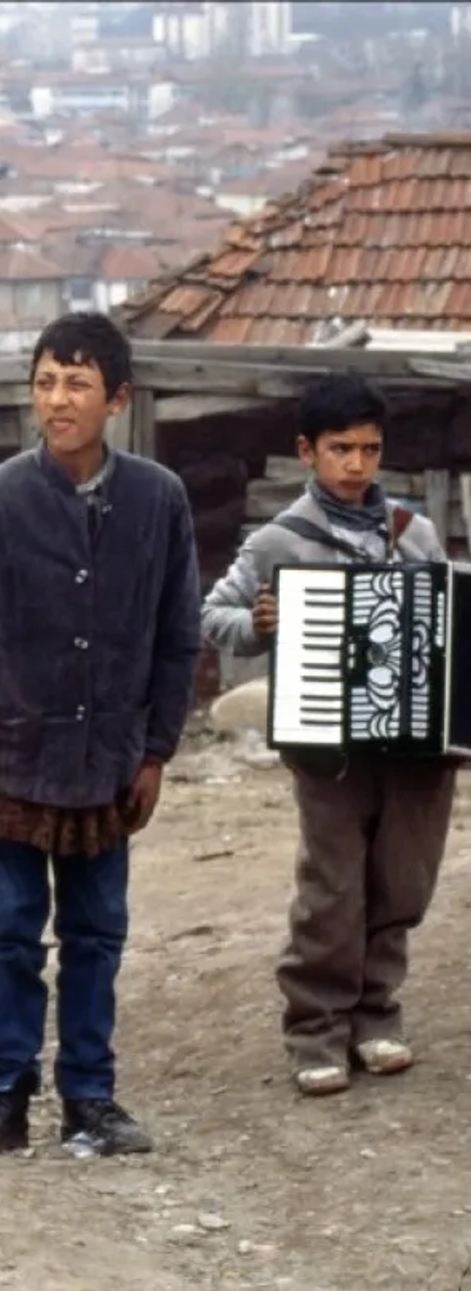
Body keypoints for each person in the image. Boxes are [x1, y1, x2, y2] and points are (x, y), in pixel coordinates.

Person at [0, 311, 200, 1158]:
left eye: (77, 383)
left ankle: (92, 1097)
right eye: (46, 381)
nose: (58, 399)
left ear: (116, 398)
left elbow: (176, 634)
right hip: (8, 760)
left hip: (109, 762)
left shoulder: (159, 500)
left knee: (96, 936)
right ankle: (4, 1093)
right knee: (11, 933)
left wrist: (157, 752)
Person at [200, 374, 455, 1097]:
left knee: (402, 879)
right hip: (327, 744)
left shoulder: (417, 533)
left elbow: (446, 625)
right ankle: (316, 1025)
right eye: (341, 449)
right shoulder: (279, 540)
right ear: (307, 451)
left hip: (414, 743)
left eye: (370, 450)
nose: (356, 464)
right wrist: (257, 625)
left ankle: (378, 1014)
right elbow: (207, 616)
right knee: (333, 886)